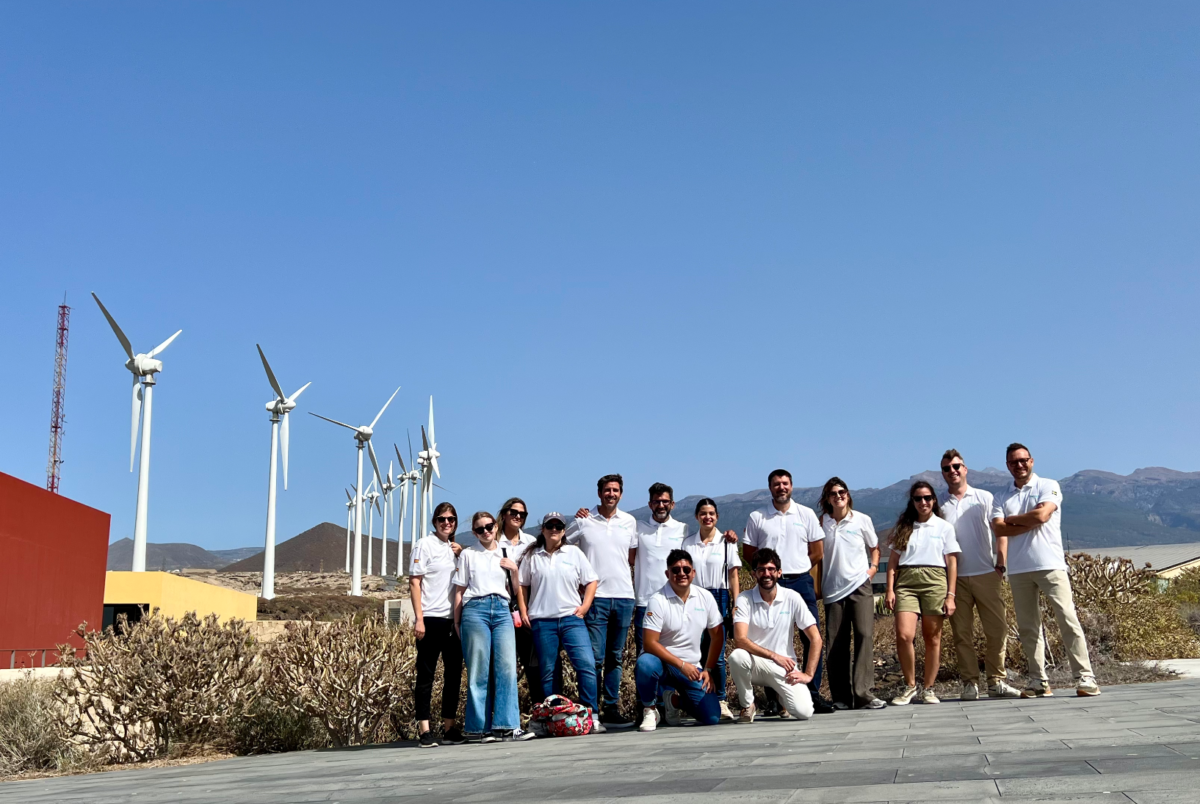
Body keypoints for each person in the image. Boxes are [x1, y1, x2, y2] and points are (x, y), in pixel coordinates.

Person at [992, 443, 1100, 698]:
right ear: (1007, 465)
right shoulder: (1001, 496)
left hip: (1050, 565)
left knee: (1067, 619)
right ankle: (1038, 680)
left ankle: (1085, 676)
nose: (1019, 465)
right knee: (1028, 627)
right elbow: (998, 528)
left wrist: (1012, 520)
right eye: (1013, 462)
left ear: (1031, 461)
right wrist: (1028, 520)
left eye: (1023, 460)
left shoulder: (1048, 485)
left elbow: (1042, 516)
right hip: (1019, 569)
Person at [742, 469, 832, 714]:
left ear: (791, 486)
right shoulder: (757, 517)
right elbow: (749, 553)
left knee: (811, 636)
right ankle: (774, 699)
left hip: (801, 581)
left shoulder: (806, 514)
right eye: (776, 484)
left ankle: (811, 692)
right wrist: (765, 573)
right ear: (770, 487)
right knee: (767, 637)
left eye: (785, 483)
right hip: (769, 582)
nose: (781, 487)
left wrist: (797, 567)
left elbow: (817, 551)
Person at [938, 450, 1022, 700]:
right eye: (947, 468)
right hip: (954, 580)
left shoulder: (984, 497)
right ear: (943, 473)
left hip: (986, 573)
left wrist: (1000, 565)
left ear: (965, 469)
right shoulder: (938, 503)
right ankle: (970, 683)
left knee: (997, 630)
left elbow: (1000, 532)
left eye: (956, 466)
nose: (952, 471)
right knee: (961, 634)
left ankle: (996, 681)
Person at [516, 512, 605, 733]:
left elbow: (591, 580)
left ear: (564, 531)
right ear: (543, 529)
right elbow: (522, 585)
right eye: (550, 526)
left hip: (571, 619)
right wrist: (524, 610)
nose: (554, 529)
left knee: (586, 665)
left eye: (558, 526)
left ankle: (591, 715)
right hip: (542, 621)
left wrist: (585, 607)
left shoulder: (574, 553)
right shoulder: (532, 555)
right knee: (548, 671)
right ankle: (555, 718)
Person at [453, 511, 533, 742]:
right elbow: (459, 590)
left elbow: (515, 589)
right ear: (474, 533)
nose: (486, 531)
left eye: (489, 527)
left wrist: (514, 570)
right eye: (480, 529)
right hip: (475, 609)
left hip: (501, 608)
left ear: (496, 527)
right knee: (478, 670)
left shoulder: (507, 552)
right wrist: (457, 621)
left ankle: (508, 725)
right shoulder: (468, 554)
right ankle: (478, 728)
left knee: (507, 667)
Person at [566, 474, 639, 727]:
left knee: (615, 657)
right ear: (599, 493)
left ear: (621, 493)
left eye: (615, 490)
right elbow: (562, 545)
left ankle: (611, 708)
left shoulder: (629, 521)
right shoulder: (583, 520)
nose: (611, 494)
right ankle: (591, 711)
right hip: (595, 598)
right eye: (607, 490)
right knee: (595, 658)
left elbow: (631, 558)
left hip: (624, 596)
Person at [885, 481, 960, 706]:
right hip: (906, 582)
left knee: (932, 637)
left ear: (934, 500)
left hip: (935, 581)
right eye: (918, 498)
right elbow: (892, 562)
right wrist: (889, 589)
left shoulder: (944, 527)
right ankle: (910, 686)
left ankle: (929, 688)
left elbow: (952, 563)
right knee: (904, 635)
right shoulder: (904, 528)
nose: (923, 502)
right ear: (913, 502)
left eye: (927, 497)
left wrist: (951, 595)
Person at [635, 549, 725, 732]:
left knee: (712, 717)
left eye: (686, 569)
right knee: (645, 664)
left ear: (693, 572)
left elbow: (718, 635)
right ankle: (650, 709)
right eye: (675, 570)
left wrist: (708, 669)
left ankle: (673, 702)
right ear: (667, 573)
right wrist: (681, 665)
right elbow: (650, 643)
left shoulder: (705, 597)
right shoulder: (657, 600)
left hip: (692, 667)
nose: (681, 573)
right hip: (662, 663)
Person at [817, 478, 885, 711]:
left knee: (864, 635)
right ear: (827, 498)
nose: (838, 496)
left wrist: (873, 569)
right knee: (836, 643)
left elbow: (875, 548)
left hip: (859, 585)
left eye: (842, 492)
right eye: (833, 493)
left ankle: (863, 694)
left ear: (848, 494)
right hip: (832, 589)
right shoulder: (821, 522)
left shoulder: (861, 519)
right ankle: (841, 697)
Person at [729, 547, 820, 722]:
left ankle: (780, 698)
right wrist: (774, 656)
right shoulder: (744, 599)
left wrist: (808, 674)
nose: (766, 574)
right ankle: (748, 705)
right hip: (756, 663)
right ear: (754, 574)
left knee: (804, 712)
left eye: (771, 569)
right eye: (761, 570)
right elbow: (740, 640)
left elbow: (815, 638)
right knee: (737, 657)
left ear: (779, 572)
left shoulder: (792, 597)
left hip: (785, 667)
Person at [409, 501, 466, 748]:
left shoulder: (454, 549)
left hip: (453, 621)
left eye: (451, 519)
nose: (447, 523)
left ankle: (449, 728)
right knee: (426, 676)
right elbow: (414, 582)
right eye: (442, 519)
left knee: (453, 676)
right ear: (435, 521)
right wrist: (419, 618)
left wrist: (460, 553)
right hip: (430, 618)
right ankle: (424, 730)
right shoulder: (424, 545)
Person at [681, 498, 742, 721]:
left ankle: (722, 700)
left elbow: (733, 575)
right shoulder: (687, 543)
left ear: (717, 517)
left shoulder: (726, 542)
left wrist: (736, 604)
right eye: (703, 513)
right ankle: (698, 699)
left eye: (711, 514)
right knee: (696, 650)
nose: (707, 517)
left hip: (719, 596)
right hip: (694, 597)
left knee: (717, 654)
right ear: (697, 516)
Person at [497, 497, 541, 702]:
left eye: (522, 514)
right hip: (499, 605)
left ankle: (538, 707)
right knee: (504, 664)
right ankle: (504, 710)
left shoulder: (531, 542)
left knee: (532, 661)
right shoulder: (493, 541)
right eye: (513, 512)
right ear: (504, 514)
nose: (517, 516)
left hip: (525, 605)